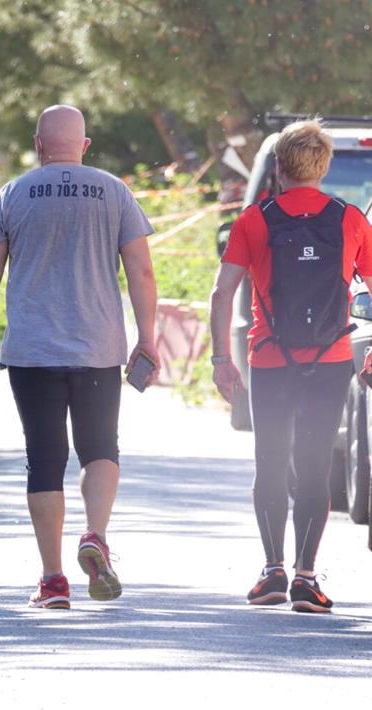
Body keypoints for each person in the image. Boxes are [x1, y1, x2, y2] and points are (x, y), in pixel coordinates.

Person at [0, 105, 158, 609]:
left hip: (33, 350)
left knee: (44, 460)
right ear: (84, 146)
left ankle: (52, 581)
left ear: (38, 143)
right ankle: (95, 534)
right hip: (99, 348)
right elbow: (142, 273)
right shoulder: (114, 191)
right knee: (100, 449)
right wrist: (148, 338)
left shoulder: (14, 193)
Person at [210, 119, 372, 613]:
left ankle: (272, 571)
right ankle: (306, 576)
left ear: (279, 167)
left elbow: (222, 293)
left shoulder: (254, 220)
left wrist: (221, 358)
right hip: (332, 359)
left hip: (270, 357)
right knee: (317, 463)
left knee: (271, 463)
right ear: (323, 167)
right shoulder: (350, 220)